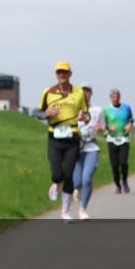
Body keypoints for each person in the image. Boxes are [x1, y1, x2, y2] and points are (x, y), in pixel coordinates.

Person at [40, 61, 89, 222]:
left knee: (68, 174)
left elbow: (86, 115)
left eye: (64, 72)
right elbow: (39, 113)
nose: (61, 75)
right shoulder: (48, 92)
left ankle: (65, 211)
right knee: (57, 173)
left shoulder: (79, 92)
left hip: (73, 137)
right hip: (54, 136)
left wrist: (84, 117)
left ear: (70, 74)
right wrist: (47, 113)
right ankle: (56, 183)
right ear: (56, 74)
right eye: (59, 72)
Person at [72, 83, 104, 220]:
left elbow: (103, 128)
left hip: (91, 148)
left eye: (88, 91)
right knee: (77, 181)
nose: (85, 94)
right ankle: (76, 188)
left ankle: (83, 209)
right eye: (83, 91)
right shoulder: (74, 110)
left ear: (91, 93)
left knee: (87, 178)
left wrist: (101, 128)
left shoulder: (98, 110)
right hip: (76, 149)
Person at [103, 88, 134, 194]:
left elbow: (131, 119)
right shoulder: (106, 109)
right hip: (111, 140)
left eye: (117, 96)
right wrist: (108, 127)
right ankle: (118, 185)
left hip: (124, 139)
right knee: (114, 165)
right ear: (110, 98)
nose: (115, 98)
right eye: (113, 97)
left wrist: (130, 125)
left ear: (119, 97)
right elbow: (103, 124)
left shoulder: (126, 108)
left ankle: (124, 181)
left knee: (123, 162)